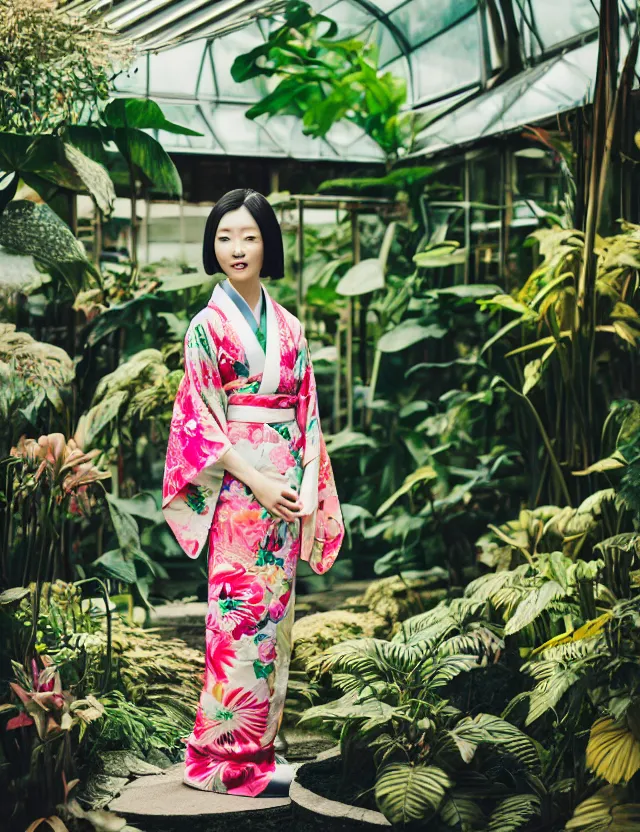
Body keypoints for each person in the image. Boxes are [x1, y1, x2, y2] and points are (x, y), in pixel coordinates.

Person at [161, 188, 345, 798]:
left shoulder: (290, 327)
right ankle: (220, 761)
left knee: (274, 629)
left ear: (269, 244)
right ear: (213, 248)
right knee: (233, 626)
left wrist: (308, 490)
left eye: (248, 236)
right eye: (224, 237)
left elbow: (309, 416)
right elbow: (199, 427)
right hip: (240, 500)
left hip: (287, 496)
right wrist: (260, 481)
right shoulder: (205, 329)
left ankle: (257, 753)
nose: (236, 249)